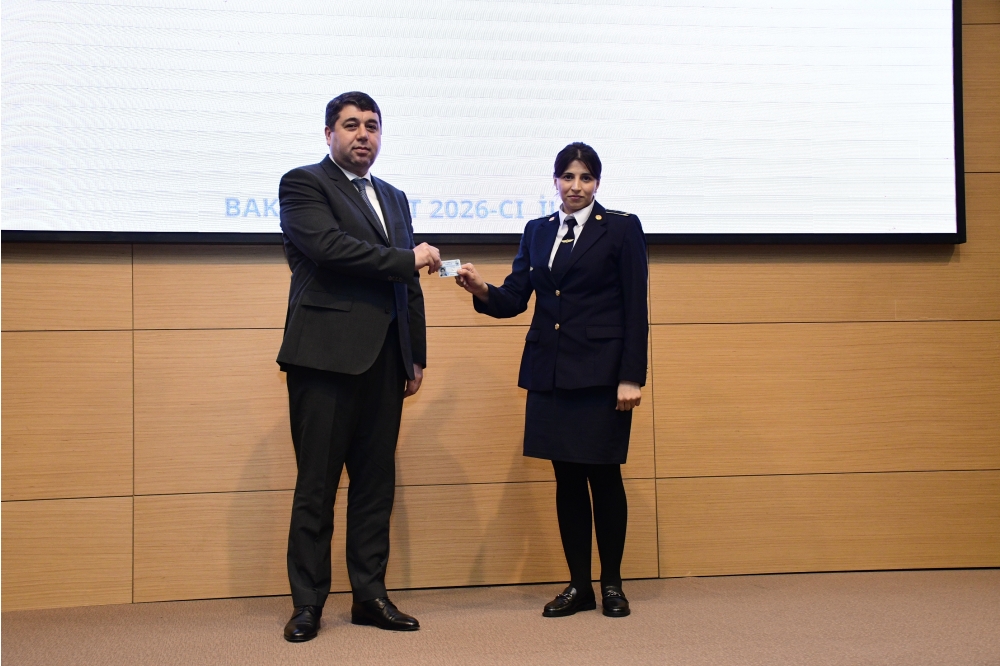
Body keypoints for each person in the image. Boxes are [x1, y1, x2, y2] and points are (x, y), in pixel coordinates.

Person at [455, 142, 648, 618]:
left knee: (604, 477)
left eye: (585, 177)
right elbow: (515, 297)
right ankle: (579, 586)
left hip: (602, 376)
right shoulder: (537, 231)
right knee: (567, 480)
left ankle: (612, 585)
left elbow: (635, 308)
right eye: (567, 177)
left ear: (597, 182)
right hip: (550, 373)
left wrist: (631, 377)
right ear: (555, 181)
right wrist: (482, 289)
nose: (575, 186)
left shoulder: (621, 227)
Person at [276, 91, 442, 642]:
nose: (363, 134)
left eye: (372, 125)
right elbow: (330, 249)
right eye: (351, 125)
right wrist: (407, 258)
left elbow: (407, 285)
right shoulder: (303, 184)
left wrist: (414, 354)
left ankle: (370, 596)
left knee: (375, 486)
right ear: (329, 134)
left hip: (384, 361)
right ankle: (307, 605)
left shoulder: (394, 197)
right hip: (324, 358)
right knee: (317, 487)